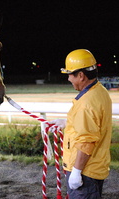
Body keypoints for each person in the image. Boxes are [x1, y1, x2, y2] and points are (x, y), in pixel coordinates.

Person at [50, 49, 112, 198]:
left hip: (85, 172)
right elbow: (94, 123)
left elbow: (87, 141)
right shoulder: (100, 92)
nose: (69, 79)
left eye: (70, 75)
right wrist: (68, 123)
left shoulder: (86, 103)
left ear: (81, 75)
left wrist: (76, 172)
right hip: (95, 168)